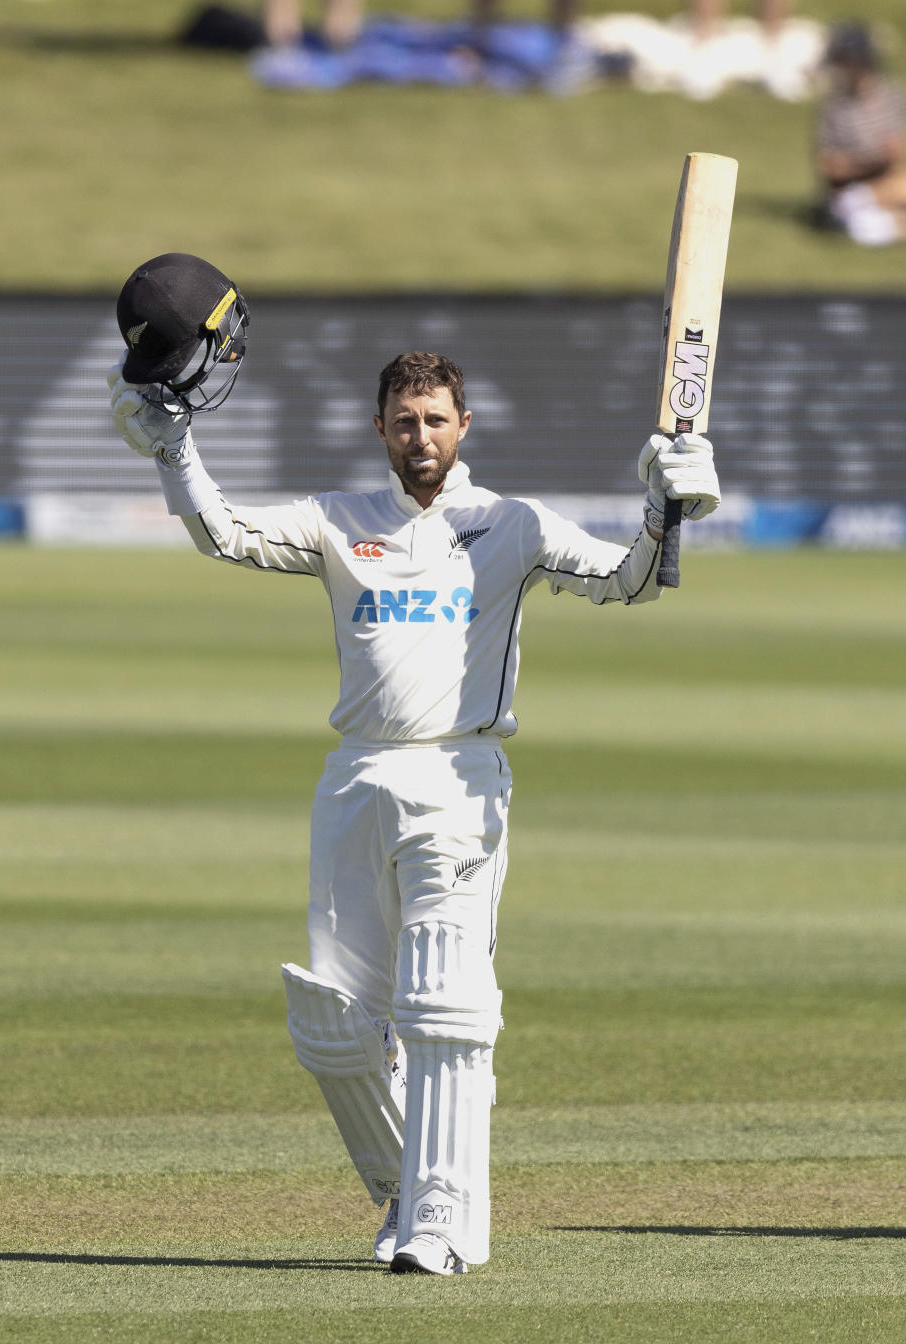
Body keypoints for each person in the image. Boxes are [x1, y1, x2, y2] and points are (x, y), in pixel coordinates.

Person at [107, 252, 721, 1276]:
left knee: (445, 1005)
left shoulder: (510, 524)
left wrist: (666, 510)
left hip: (459, 779)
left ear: (463, 427)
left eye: (437, 420)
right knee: (337, 1030)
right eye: (404, 421)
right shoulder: (341, 520)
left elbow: (630, 582)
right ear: (382, 428)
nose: (420, 437)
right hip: (356, 777)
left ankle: (439, 1223)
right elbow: (224, 536)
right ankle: (411, 1194)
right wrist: (172, 454)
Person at [814, 20, 906, 245]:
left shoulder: (893, 98)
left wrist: (895, 152)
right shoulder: (835, 108)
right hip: (853, 189)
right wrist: (871, 160)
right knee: (861, 220)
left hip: (892, 182)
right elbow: (828, 165)